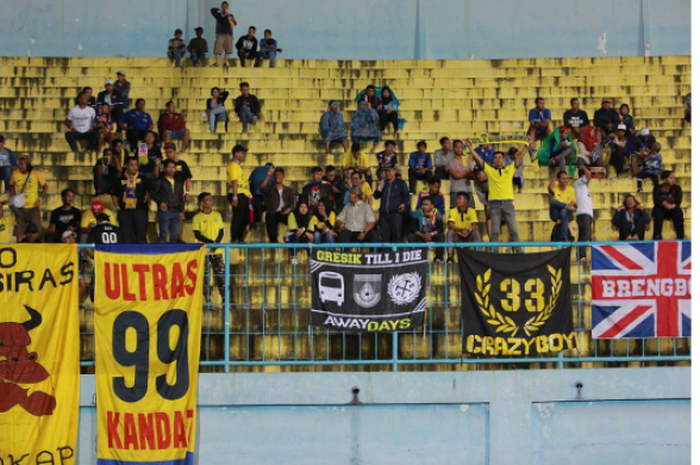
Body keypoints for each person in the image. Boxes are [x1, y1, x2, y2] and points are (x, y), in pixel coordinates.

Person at [469, 139, 530, 253]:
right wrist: (471, 149)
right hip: (494, 204)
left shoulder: (509, 168)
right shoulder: (490, 170)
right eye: (495, 158)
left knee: (514, 230)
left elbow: (519, 158)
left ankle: (519, 252)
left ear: (503, 160)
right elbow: (479, 160)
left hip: (507, 203)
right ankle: (494, 253)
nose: (497, 160)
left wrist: (526, 146)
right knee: (495, 231)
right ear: (493, 160)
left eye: (500, 158)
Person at [192, 192, 226, 299]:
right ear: (202, 203)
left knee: (221, 276)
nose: (210, 202)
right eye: (207, 200)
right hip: (205, 251)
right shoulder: (197, 217)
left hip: (217, 251)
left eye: (211, 200)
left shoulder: (217, 215)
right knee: (205, 278)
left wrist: (216, 244)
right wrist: (210, 243)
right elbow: (197, 234)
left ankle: (225, 299)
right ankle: (208, 301)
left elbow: (221, 231)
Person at [111, 157, 151, 244]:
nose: (134, 167)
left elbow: (152, 190)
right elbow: (114, 195)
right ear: (126, 166)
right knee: (126, 236)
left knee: (141, 235)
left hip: (140, 210)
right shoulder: (119, 180)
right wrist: (117, 207)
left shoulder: (143, 179)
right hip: (124, 211)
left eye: (136, 165)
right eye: (132, 165)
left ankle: (142, 256)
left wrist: (148, 196)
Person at [158, 143, 192, 241]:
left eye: (170, 152)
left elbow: (188, 178)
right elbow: (158, 178)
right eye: (166, 152)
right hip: (165, 194)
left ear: (175, 151)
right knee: (164, 217)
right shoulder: (163, 164)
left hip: (178, 194)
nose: (168, 154)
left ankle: (179, 238)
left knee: (179, 216)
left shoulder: (182, 164)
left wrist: (188, 192)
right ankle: (164, 240)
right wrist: (157, 165)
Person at [9, 155, 47, 242]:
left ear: (28, 165)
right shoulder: (15, 174)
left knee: (36, 231)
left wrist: (40, 199)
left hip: (33, 207)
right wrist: (15, 197)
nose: (19, 166)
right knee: (19, 232)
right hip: (20, 208)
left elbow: (45, 187)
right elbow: (11, 185)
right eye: (19, 164)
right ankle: (19, 252)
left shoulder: (36, 174)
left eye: (22, 164)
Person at [151, 159, 185, 244]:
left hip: (176, 210)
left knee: (174, 236)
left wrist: (181, 211)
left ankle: (172, 256)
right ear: (165, 169)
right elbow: (153, 193)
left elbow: (181, 197)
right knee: (163, 235)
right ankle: (161, 255)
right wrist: (160, 202)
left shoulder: (178, 182)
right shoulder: (161, 180)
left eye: (173, 167)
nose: (171, 169)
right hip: (165, 211)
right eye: (169, 167)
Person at [373, 166, 409, 243]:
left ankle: (397, 254)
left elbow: (406, 196)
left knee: (397, 237)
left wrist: (404, 204)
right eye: (386, 171)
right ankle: (386, 254)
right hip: (383, 215)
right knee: (385, 238)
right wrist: (380, 187)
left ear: (394, 171)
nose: (388, 173)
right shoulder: (383, 184)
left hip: (396, 214)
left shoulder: (400, 183)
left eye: (389, 171)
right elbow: (376, 196)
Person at [260, 166, 294, 243]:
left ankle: (291, 237)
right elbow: (262, 188)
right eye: (276, 175)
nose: (278, 177)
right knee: (270, 217)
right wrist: (268, 175)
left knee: (294, 218)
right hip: (273, 213)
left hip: (284, 213)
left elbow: (292, 204)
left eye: (280, 175)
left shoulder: (288, 190)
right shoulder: (270, 189)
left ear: (283, 176)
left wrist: (288, 210)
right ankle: (274, 242)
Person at [446, 191, 481, 262]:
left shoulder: (471, 211)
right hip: (458, 236)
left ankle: (478, 254)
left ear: (466, 201)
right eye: (457, 199)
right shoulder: (453, 211)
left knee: (476, 232)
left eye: (459, 199)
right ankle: (450, 257)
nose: (457, 201)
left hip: (468, 235)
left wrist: (468, 231)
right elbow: (451, 226)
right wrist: (461, 230)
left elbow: (474, 225)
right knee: (450, 232)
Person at [408, 196, 445, 263]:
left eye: (426, 205)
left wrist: (431, 234)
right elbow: (413, 229)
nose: (424, 207)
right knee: (411, 236)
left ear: (432, 206)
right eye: (423, 204)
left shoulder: (437, 213)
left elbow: (440, 229)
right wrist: (423, 236)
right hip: (421, 235)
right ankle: (413, 257)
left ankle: (438, 258)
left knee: (441, 236)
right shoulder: (417, 213)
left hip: (432, 235)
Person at [227, 144, 252, 243]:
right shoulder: (233, 165)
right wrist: (235, 197)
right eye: (242, 153)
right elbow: (234, 182)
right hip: (238, 194)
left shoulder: (237, 166)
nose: (243, 155)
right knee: (238, 216)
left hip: (243, 194)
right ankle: (235, 238)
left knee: (246, 217)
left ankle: (239, 237)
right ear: (236, 153)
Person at [652, 170, 684, 240]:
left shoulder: (677, 188)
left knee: (678, 212)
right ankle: (657, 235)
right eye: (671, 178)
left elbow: (678, 200)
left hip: (672, 208)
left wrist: (672, 206)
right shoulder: (657, 188)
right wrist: (664, 204)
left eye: (674, 178)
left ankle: (680, 235)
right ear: (664, 180)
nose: (673, 180)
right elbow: (656, 200)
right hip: (661, 208)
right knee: (658, 212)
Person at [548, 171, 577, 242]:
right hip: (555, 214)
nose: (565, 180)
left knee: (563, 211)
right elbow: (550, 189)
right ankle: (565, 206)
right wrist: (555, 178)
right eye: (563, 178)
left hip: (567, 213)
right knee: (553, 202)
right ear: (558, 179)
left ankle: (563, 236)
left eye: (567, 179)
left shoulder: (571, 190)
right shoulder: (555, 188)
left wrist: (568, 206)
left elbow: (574, 203)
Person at [574, 163, 594, 261]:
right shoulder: (578, 183)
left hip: (587, 215)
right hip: (583, 214)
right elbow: (589, 175)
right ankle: (581, 255)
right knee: (585, 234)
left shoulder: (585, 189)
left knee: (584, 234)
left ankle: (581, 255)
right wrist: (582, 165)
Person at [447, 140, 474, 208]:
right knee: (455, 215)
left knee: (470, 214)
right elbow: (456, 175)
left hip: (468, 191)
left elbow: (474, 175)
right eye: (457, 147)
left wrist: (461, 173)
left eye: (461, 147)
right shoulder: (450, 162)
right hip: (455, 191)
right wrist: (467, 173)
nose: (459, 149)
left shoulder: (468, 161)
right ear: (453, 148)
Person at [210, 1, 237, 68]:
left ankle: (225, 63)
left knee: (228, 49)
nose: (225, 7)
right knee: (217, 49)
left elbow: (233, 24)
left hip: (228, 34)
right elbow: (212, 10)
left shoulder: (230, 15)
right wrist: (220, 10)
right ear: (222, 7)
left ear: (227, 7)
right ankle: (216, 63)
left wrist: (228, 15)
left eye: (226, 6)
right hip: (220, 33)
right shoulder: (219, 15)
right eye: (223, 6)